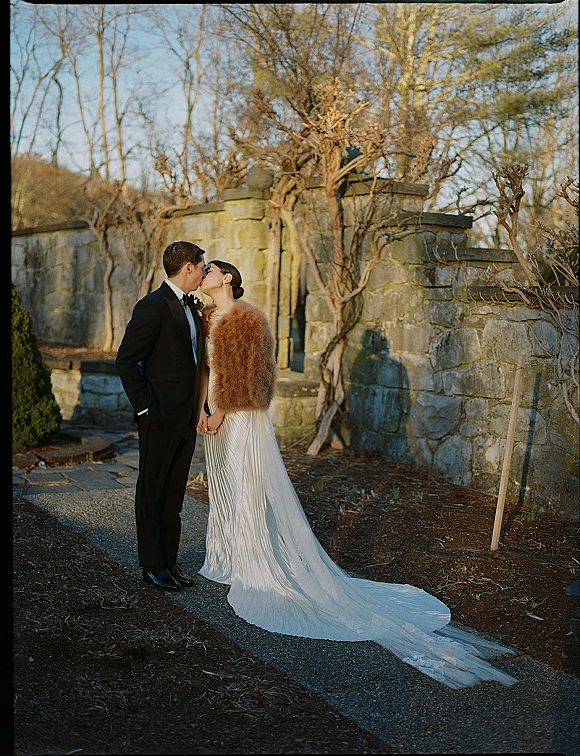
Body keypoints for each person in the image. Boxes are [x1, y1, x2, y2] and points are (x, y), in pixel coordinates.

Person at [196, 260, 518, 690]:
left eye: (211, 268)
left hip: (240, 414)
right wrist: (202, 409)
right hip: (213, 413)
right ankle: (230, 556)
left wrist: (220, 410)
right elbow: (205, 369)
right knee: (227, 487)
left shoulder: (247, 318)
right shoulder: (206, 317)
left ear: (228, 278)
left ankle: (255, 566)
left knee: (247, 486)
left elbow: (250, 375)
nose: (204, 272)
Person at [116, 240, 206, 591]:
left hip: (185, 419)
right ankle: (152, 564)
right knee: (152, 493)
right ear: (187, 267)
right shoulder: (152, 306)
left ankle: (169, 562)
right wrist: (145, 408)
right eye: (201, 267)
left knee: (174, 495)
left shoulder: (192, 306)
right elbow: (126, 361)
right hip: (157, 416)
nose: (204, 272)